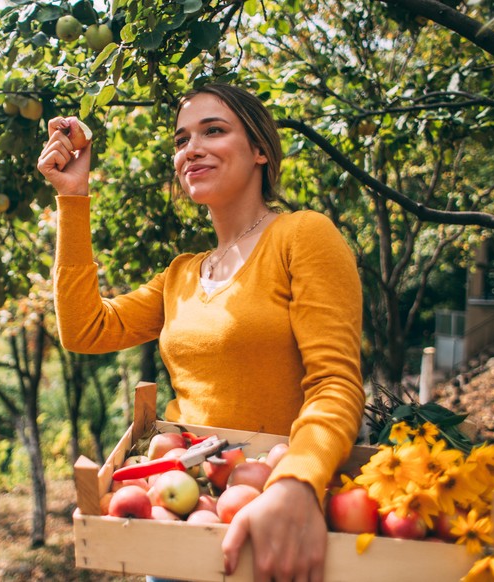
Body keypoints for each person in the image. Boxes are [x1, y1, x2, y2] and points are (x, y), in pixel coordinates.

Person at [37, 83, 364, 582]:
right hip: (184, 517)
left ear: (260, 150)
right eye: (181, 138)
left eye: (214, 130)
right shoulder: (180, 274)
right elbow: (85, 330)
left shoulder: (302, 235)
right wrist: (73, 197)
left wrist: (297, 483)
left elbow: (335, 385)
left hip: (277, 513)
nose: (191, 148)